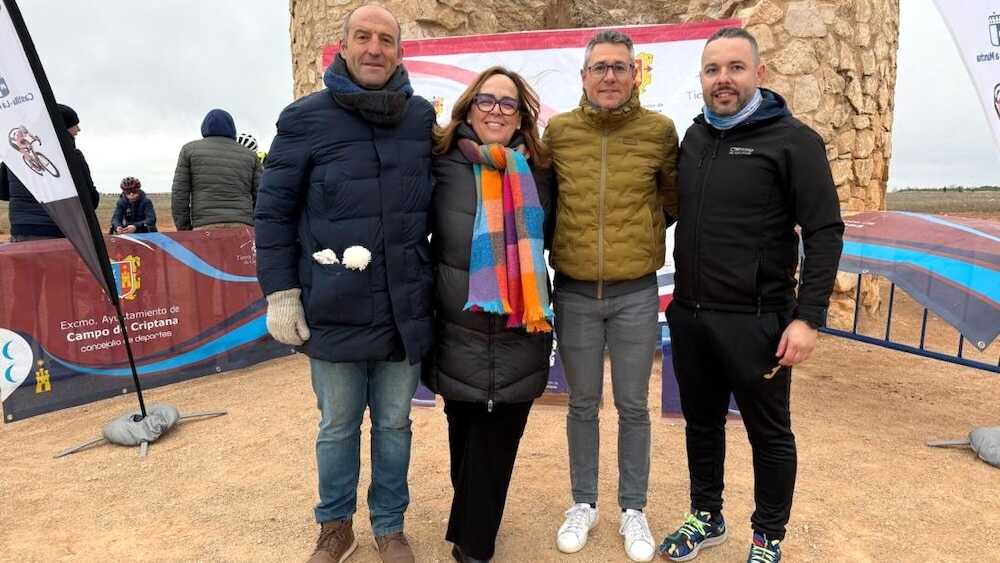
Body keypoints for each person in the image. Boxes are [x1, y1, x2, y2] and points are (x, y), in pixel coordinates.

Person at [254, 5, 434, 563]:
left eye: (386, 39)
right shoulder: (304, 118)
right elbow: (274, 213)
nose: (374, 48)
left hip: (403, 304)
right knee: (337, 426)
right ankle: (335, 526)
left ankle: (389, 526)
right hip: (333, 304)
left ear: (399, 52)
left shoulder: (419, 117)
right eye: (363, 37)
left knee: (395, 425)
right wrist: (281, 293)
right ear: (344, 45)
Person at [657, 28, 844, 563]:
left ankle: (767, 537)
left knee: (770, 433)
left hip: (759, 321)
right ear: (701, 78)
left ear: (759, 74)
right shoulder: (694, 137)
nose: (724, 79)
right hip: (691, 316)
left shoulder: (794, 141)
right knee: (701, 425)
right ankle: (706, 515)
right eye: (713, 69)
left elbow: (825, 231)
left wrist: (808, 318)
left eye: (736, 68)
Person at [543, 29, 679, 563]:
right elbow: (547, 202)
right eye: (599, 67)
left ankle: (633, 508)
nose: (609, 76)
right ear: (584, 76)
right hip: (575, 291)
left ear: (634, 74)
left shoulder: (659, 132)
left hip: (636, 293)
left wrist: (636, 240)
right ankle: (583, 502)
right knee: (581, 403)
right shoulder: (559, 132)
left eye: (619, 67)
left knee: (633, 405)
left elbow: (671, 201)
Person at [423, 67, 554, 563]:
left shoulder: (541, 171)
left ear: (521, 117)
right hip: (459, 328)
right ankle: (470, 529)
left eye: (508, 103)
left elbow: (556, 237)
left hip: (521, 327)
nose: (496, 110)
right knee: (463, 441)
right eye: (487, 100)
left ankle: (474, 546)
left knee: (497, 447)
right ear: (468, 108)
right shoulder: (441, 165)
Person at [0, 104, 100, 242]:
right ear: (61, 126)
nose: (78, 129)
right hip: (61, 232)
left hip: (22, 231)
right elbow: (91, 200)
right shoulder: (72, 156)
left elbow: (2, 192)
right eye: (74, 125)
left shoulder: (12, 156)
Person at [170, 109, 259, 230]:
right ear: (232, 128)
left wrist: (184, 229)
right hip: (243, 226)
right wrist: (256, 225)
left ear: (204, 127)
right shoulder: (250, 155)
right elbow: (260, 195)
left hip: (204, 226)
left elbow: (179, 194)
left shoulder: (189, 150)